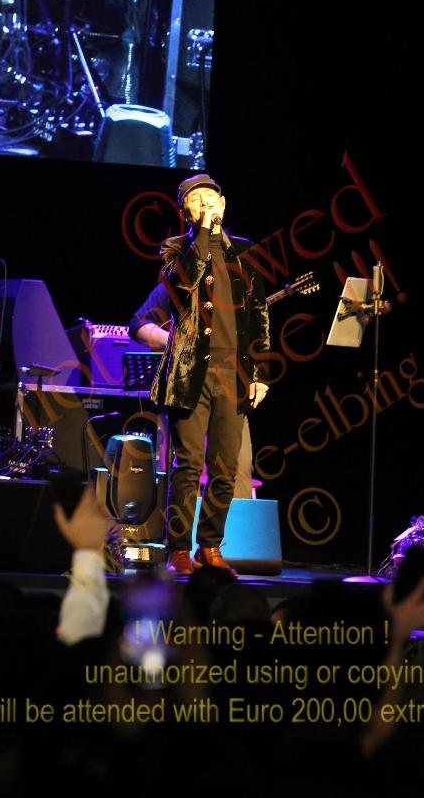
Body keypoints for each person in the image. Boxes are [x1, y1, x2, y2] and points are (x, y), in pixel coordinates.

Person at [149, 173, 270, 575]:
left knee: (226, 467)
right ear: (186, 211)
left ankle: (211, 546)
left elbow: (259, 314)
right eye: (197, 200)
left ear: (224, 203)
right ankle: (178, 549)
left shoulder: (246, 251)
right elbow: (181, 286)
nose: (206, 204)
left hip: (233, 375)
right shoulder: (175, 250)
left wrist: (261, 373)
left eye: (211, 197)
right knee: (188, 465)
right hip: (189, 374)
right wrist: (202, 235)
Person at [128, 283, 256, 498]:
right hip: (186, 388)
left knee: (236, 468)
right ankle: (181, 518)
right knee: (187, 468)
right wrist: (178, 341)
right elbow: (138, 324)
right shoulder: (178, 282)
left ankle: (232, 520)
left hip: (228, 387)